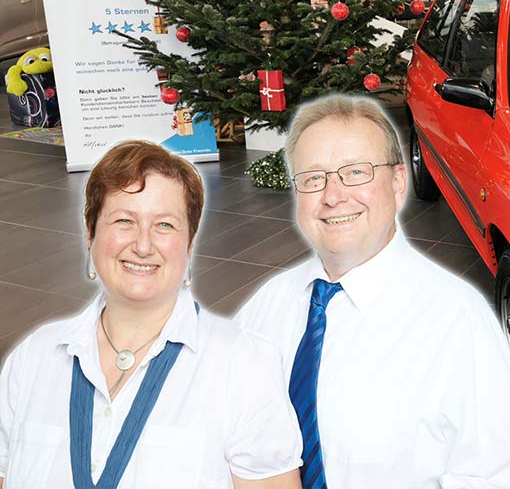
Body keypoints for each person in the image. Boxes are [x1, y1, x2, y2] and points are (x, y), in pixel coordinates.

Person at [235, 94, 510, 489]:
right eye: (313, 178)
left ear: (399, 183)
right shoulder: (268, 305)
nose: (333, 195)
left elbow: (508, 480)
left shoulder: (456, 321)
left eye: (355, 172)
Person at [0, 141, 303, 489]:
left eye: (164, 225)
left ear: (189, 246)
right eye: (124, 220)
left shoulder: (243, 365)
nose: (143, 245)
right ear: (90, 235)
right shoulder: (33, 358)